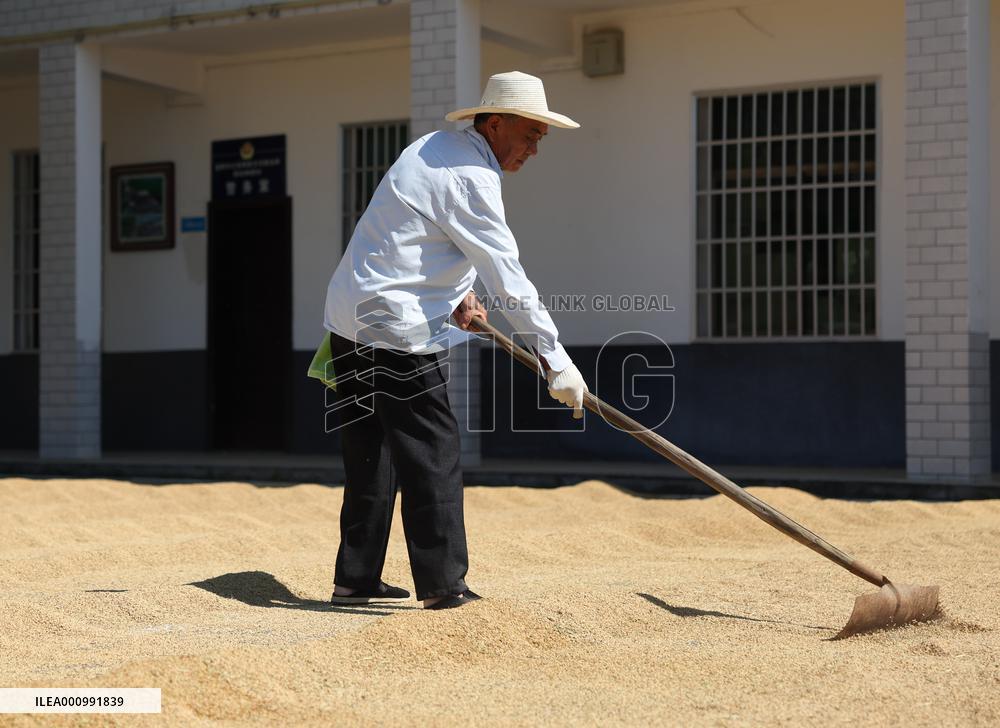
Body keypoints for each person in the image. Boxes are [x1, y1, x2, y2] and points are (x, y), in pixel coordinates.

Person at [322, 71, 588, 610]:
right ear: (495, 122)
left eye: (541, 138)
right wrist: (553, 355)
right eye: (530, 134)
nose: (535, 149)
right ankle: (444, 586)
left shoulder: (436, 148)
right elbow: (504, 270)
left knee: (373, 454)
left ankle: (355, 579)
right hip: (393, 327)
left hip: (350, 321)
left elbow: (421, 237)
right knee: (433, 452)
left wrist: (459, 298)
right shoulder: (471, 174)